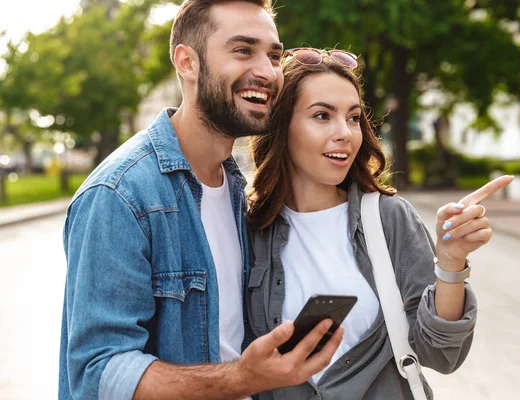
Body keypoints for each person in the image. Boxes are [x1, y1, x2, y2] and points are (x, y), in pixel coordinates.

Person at [59, 3, 344, 399]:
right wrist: (242, 378)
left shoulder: (237, 189)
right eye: (243, 50)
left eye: (274, 55)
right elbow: (100, 370)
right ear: (186, 62)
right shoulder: (120, 195)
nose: (266, 71)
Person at [247, 48, 514, 399]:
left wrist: (450, 263)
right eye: (322, 116)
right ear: (282, 126)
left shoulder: (388, 218)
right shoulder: (250, 230)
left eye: (354, 117)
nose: (345, 133)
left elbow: (440, 354)